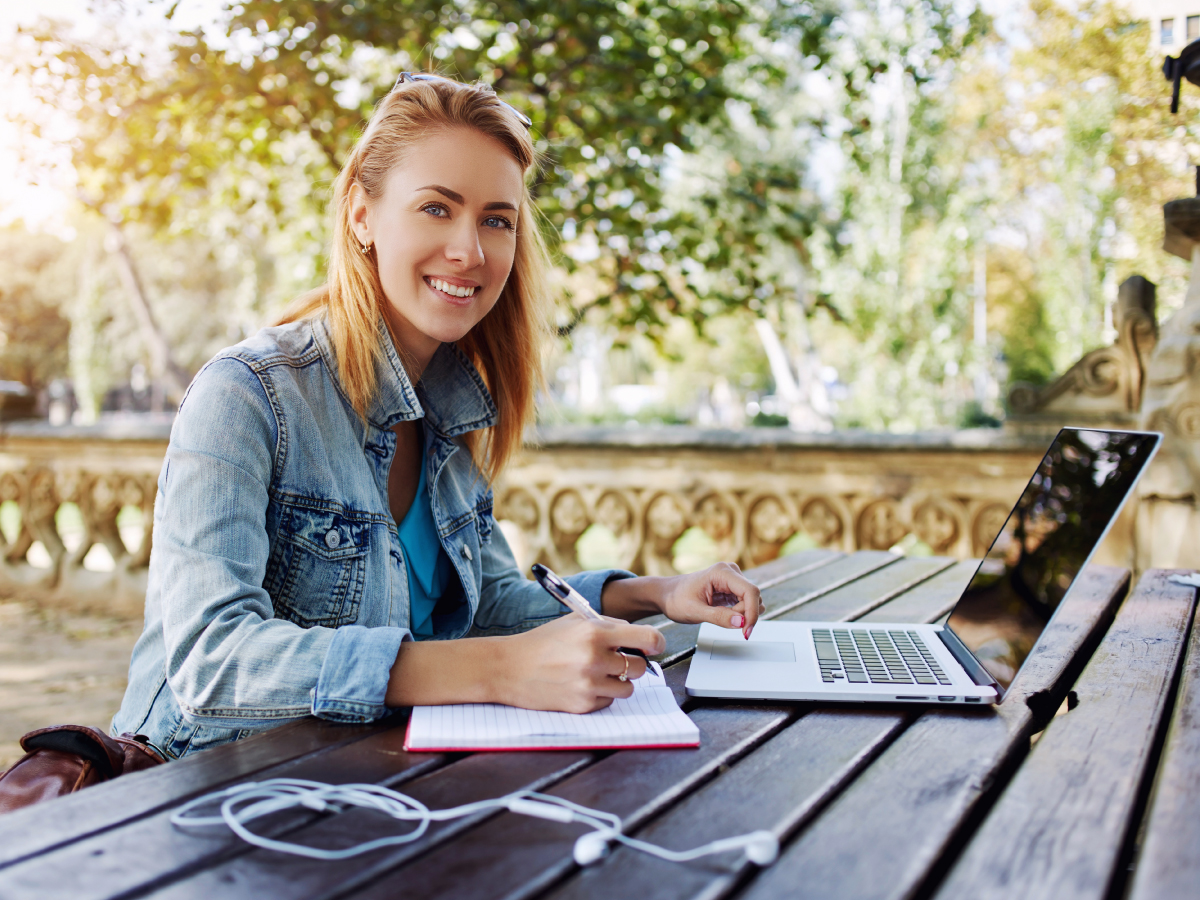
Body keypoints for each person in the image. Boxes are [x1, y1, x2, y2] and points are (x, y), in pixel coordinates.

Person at [112, 74, 762, 759]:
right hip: (202, 796)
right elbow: (213, 661)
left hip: (365, 788)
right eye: (435, 208)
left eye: (495, 219)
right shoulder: (246, 396)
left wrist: (654, 593)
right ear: (362, 215)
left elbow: (484, 605)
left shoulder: (449, 407)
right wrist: (497, 672)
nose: (470, 251)